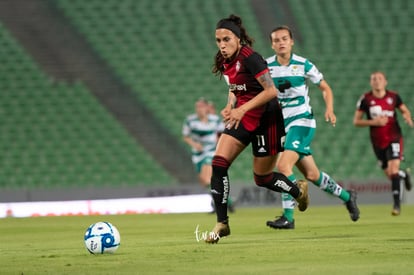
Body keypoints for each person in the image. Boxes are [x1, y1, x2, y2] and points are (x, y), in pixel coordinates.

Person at [205, 15, 309, 244]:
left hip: (267, 119)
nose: (222, 44)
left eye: (227, 39)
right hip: (242, 115)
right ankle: (222, 223)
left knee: (262, 179)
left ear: (238, 38)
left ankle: (297, 191)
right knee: (218, 164)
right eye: (218, 40)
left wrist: (241, 110)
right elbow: (235, 86)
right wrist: (230, 105)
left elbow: (271, 92)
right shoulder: (224, 60)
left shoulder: (251, 58)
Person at [265, 25, 360, 229]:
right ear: (272, 44)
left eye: (284, 39)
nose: (281, 42)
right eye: (276, 40)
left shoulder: (303, 64)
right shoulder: (266, 67)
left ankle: (288, 217)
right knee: (312, 175)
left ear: (291, 41)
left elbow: (325, 87)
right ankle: (347, 196)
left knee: (282, 166)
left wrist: (330, 109)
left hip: (302, 121)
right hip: (282, 125)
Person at [353, 71, 413, 216]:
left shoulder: (394, 97)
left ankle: (397, 205)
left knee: (393, 172)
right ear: (370, 82)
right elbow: (356, 121)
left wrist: (407, 117)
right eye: (374, 79)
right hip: (377, 142)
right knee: (391, 175)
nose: (377, 81)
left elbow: (404, 110)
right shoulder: (365, 99)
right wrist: (374, 122)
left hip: (394, 137)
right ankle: (403, 175)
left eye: (380, 78)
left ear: (385, 81)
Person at [182, 98, 235, 212]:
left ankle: (218, 203)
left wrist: (219, 144)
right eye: (197, 106)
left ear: (206, 107)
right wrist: (195, 144)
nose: (199, 109)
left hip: (211, 151)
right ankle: (227, 201)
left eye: (201, 106)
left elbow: (222, 134)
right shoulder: (190, 120)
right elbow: (185, 136)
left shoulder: (214, 120)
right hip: (198, 153)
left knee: (207, 179)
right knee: (204, 181)